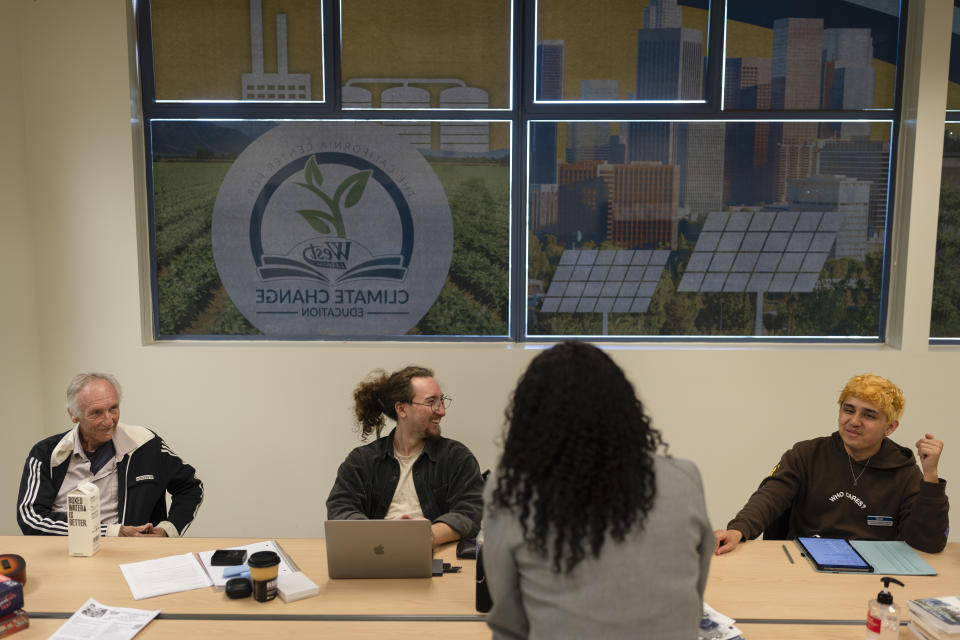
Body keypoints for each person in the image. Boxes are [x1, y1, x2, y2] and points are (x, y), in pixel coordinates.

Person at [483, 341, 713, 640]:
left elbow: (509, 624)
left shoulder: (511, 491)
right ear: (625, 410)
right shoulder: (685, 479)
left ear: (531, 419)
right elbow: (693, 601)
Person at [714, 373, 949, 555]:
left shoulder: (905, 472)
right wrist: (739, 529)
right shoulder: (806, 454)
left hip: (872, 574)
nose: (854, 421)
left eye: (868, 415)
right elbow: (770, 496)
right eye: (848, 410)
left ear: (890, 427)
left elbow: (927, 543)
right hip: (804, 563)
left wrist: (931, 476)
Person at [17, 373, 203, 537]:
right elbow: (30, 517)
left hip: (131, 553)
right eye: (96, 413)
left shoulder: (146, 444)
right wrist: (111, 532)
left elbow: (191, 487)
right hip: (65, 550)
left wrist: (167, 529)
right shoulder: (46, 453)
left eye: (113, 408)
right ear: (73, 415)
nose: (109, 420)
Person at [325, 366, 483, 547]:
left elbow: (472, 511)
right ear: (401, 409)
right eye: (431, 402)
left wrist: (427, 535)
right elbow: (340, 509)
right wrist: (383, 536)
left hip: (435, 557)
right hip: (376, 554)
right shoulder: (361, 461)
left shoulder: (456, 457)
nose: (441, 411)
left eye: (441, 401)